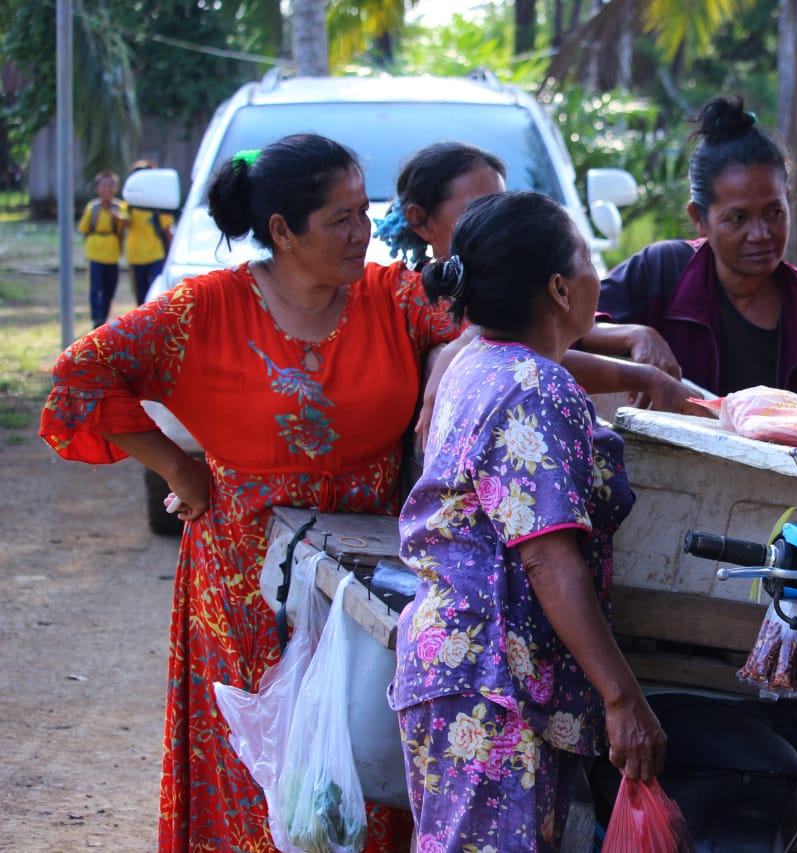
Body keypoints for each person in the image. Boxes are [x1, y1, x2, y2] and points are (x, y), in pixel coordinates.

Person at [40, 133, 461, 852]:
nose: (363, 232)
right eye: (341, 218)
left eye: (365, 213)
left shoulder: (391, 296)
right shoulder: (202, 310)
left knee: (366, 763)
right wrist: (178, 468)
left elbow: (486, 335)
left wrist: (638, 361)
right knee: (259, 777)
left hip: (367, 584)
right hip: (244, 585)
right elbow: (80, 377)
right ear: (281, 231)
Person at [392, 191, 666, 850]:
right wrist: (622, 695)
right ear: (559, 288)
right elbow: (548, 557)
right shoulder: (537, 391)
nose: (596, 269)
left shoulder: (480, 360)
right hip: (494, 681)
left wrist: (651, 378)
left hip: (458, 664)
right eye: (586, 255)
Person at [578, 95, 797, 522]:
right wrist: (637, 335)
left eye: (774, 213)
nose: (761, 234)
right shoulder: (660, 272)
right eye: (737, 218)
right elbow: (562, 332)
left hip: (779, 518)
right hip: (664, 503)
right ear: (699, 217)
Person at [375, 140, 704, 433]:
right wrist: (642, 376)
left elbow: (553, 330)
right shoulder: (423, 299)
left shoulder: (500, 297)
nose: (498, 217)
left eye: (499, 202)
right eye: (475, 209)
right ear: (419, 219)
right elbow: (527, 358)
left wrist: (636, 334)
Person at [121, 159, 175, 305]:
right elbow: (124, 222)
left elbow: (167, 231)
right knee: (140, 294)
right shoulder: (128, 206)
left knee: (158, 294)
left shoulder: (159, 205)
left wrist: (172, 253)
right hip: (136, 256)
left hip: (156, 255)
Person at [77, 170, 124, 327]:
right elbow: (84, 228)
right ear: (97, 189)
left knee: (110, 287)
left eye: (111, 186)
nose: (107, 189)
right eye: (104, 186)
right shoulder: (93, 208)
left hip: (112, 253)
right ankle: (97, 318)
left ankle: (103, 315)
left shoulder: (120, 208)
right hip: (95, 253)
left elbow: (125, 227)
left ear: (116, 188)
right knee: (96, 288)